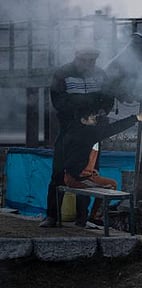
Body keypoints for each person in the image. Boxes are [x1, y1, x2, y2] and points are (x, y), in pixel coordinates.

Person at [40, 47, 115, 227]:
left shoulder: (101, 75)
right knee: (59, 173)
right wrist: (84, 108)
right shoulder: (62, 74)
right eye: (85, 61)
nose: (89, 64)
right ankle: (52, 216)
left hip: (92, 132)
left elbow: (108, 99)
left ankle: (83, 218)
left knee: (87, 175)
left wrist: (102, 112)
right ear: (77, 58)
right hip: (69, 131)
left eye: (92, 61)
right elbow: (59, 102)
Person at [62, 108, 142, 227]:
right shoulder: (87, 133)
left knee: (92, 189)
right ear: (83, 120)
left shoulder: (80, 132)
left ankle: (84, 218)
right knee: (110, 185)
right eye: (92, 118)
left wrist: (94, 169)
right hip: (76, 177)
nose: (95, 120)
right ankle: (92, 217)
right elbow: (112, 129)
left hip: (80, 175)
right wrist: (135, 118)